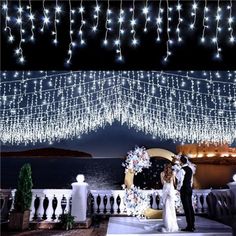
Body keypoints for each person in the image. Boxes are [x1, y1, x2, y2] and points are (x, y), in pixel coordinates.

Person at [176, 155, 196, 232]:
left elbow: (179, 180)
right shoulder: (190, 169)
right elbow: (191, 180)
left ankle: (189, 226)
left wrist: (178, 189)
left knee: (186, 208)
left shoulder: (182, 170)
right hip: (189, 189)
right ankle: (192, 225)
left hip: (184, 189)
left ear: (181, 162)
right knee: (190, 207)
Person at [160, 163, 179, 232]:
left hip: (165, 190)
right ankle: (172, 224)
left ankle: (167, 224)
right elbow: (174, 183)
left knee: (166, 207)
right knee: (171, 208)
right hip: (171, 190)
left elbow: (162, 183)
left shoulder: (162, 174)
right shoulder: (173, 173)